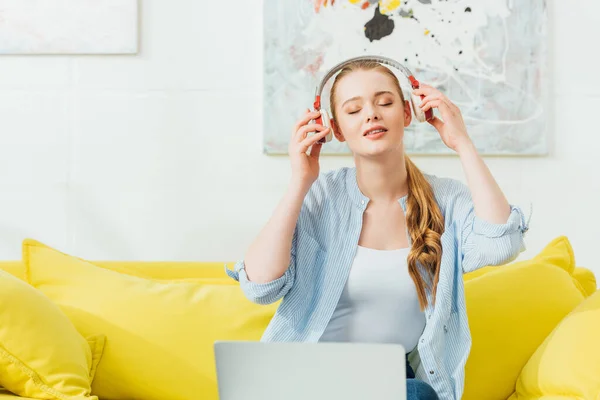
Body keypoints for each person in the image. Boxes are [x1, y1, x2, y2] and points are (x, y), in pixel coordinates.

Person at [226, 59, 529, 400]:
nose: (371, 114)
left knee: (417, 394)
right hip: (306, 377)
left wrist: (463, 144)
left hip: (393, 384)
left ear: (407, 113)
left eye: (385, 102)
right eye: (353, 110)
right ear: (336, 130)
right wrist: (300, 180)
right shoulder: (320, 196)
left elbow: (500, 245)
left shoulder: (445, 199)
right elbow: (260, 288)